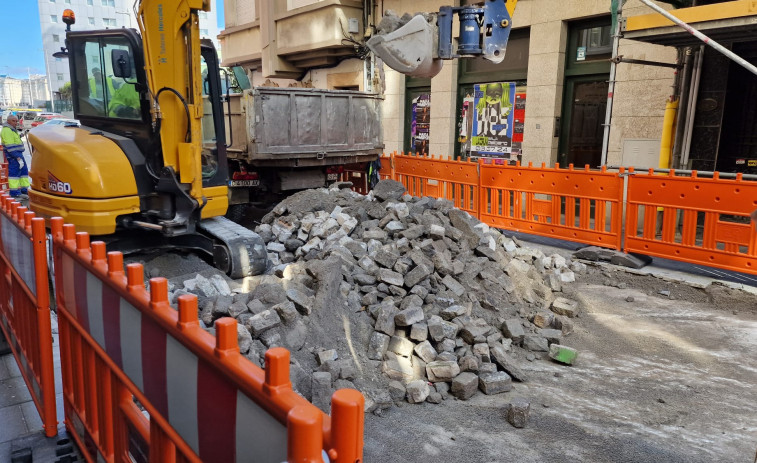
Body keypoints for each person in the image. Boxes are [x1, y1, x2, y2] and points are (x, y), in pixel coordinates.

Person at [0, 115, 31, 198]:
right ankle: (15, 193)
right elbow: (10, 146)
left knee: (23, 172)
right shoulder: (7, 130)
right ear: (8, 121)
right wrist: (17, 157)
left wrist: (21, 135)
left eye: (16, 121)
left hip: (18, 154)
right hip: (14, 156)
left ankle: (24, 190)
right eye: (14, 121)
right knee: (15, 174)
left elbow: (15, 140)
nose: (16, 123)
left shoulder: (11, 130)